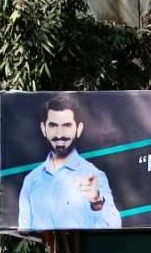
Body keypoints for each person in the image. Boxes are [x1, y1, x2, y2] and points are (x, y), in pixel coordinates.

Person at [17, 94, 122, 230]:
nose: (60, 134)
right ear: (44, 129)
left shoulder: (94, 176)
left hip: (82, 251)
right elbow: (24, 233)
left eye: (66, 125)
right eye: (53, 125)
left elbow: (115, 226)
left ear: (78, 129)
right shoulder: (31, 180)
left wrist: (96, 201)